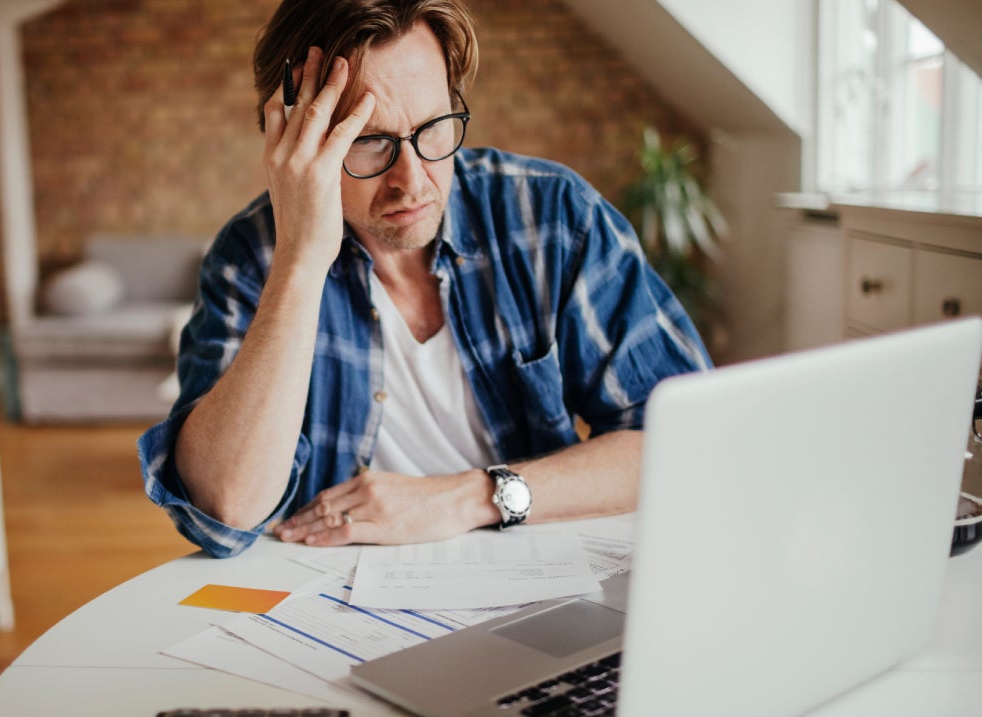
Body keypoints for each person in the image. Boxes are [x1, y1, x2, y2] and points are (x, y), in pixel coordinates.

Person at [138, 0, 710, 558]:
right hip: (327, 604)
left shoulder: (552, 217)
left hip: (534, 580)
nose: (411, 182)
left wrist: (466, 498)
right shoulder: (252, 256)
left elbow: (684, 443)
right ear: (297, 141)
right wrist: (300, 262)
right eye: (368, 141)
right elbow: (224, 511)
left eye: (434, 126)